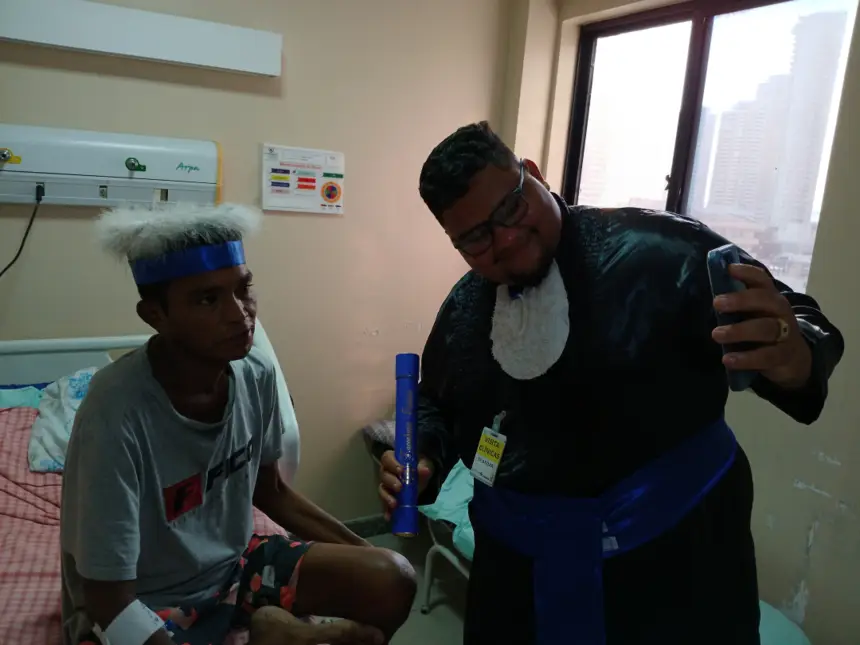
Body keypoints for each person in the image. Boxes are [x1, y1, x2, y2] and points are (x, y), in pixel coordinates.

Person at [377, 122, 844, 645]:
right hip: (515, 577)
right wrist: (422, 455)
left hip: (676, 566)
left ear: (533, 174)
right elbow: (435, 403)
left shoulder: (662, 252)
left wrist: (794, 350)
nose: (504, 239)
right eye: (475, 238)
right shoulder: (465, 306)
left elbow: (798, 320)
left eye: (510, 207)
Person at [61, 203, 416, 645]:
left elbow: (271, 490)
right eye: (207, 299)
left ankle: (276, 630)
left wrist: (369, 557)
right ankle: (275, 634)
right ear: (154, 315)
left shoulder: (256, 374)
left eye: (243, 289)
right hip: (147, 599)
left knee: (392, 579)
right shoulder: (115, 414)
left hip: (236, 570)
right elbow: (107, 600)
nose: (239, 314)